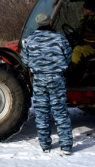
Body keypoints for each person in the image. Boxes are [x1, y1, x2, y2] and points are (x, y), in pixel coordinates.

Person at [21, 12, 73, 155]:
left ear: (38, 24)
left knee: (42, 112)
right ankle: (66, 145)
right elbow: (68, 56)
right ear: (50, 23)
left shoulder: (30, 40)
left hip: (39, 80)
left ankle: (45, 145)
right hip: (57, 78)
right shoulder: (60, 38)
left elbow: (24, 60)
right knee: (60, 111)